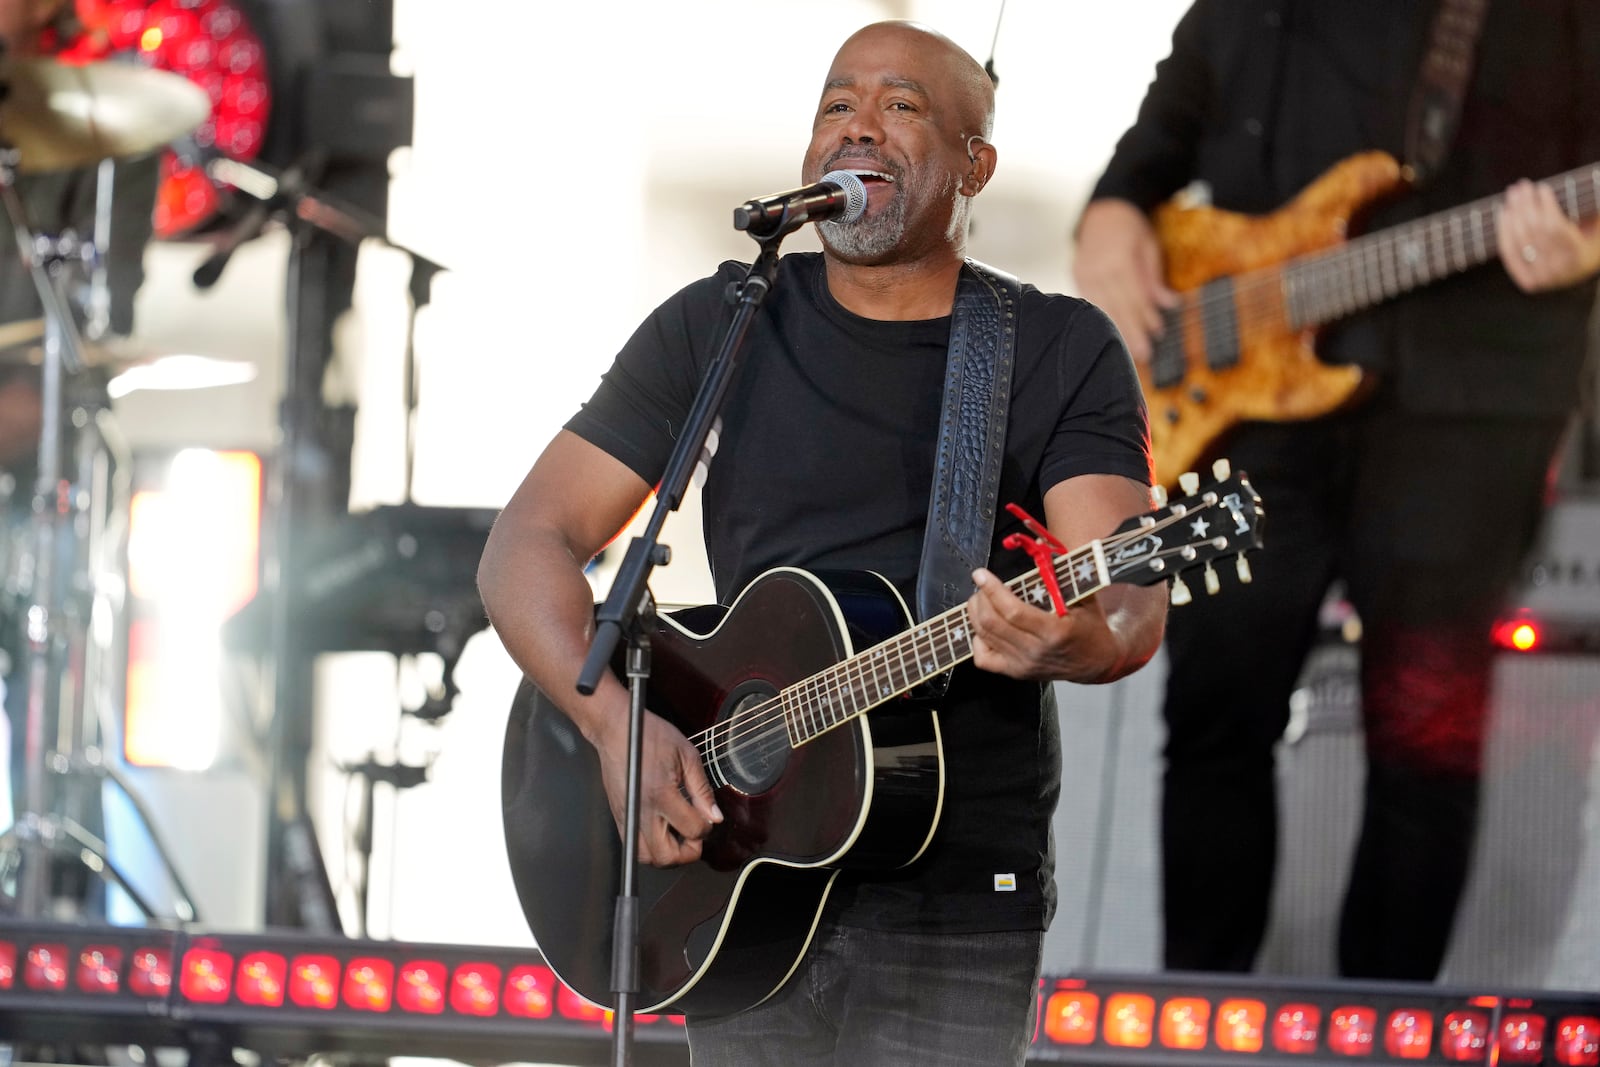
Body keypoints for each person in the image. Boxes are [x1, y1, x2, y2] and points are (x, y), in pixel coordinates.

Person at [478, 20, 1167, 1066]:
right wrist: (616, 726)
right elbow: (528, 540)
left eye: (900, 107)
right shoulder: (725, 319)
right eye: (836, 106)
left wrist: (1067, 643)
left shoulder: (1056, 350)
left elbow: (1123, 602)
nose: (858, 130)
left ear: (973, 166)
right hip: (739, 868)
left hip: (949, 892)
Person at [1072, 0, 1600, 981]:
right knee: (1214, 711)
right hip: (1243, 397)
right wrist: (1110, 211)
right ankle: (1199, 1018)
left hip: (1466, 391)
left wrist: (1584, 249)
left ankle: (1383, 1028)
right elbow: (1167, 119)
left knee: (1425, 733)